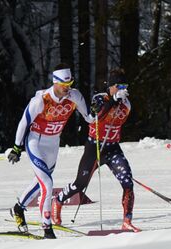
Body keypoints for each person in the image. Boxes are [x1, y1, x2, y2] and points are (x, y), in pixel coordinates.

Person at [52, 68, 139, 232]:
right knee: (80, 183)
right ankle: (58, 200)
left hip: (112, 148)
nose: (123, 90)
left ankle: (127, 220)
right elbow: (95, 116)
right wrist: (113, 100)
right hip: (95, 147)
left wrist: (118, 102)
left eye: (125, 86)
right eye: (119, 86)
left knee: (128, 182)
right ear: (112, 86)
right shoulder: (99, 98)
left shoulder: (126, 104)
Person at [8, 69, 85, 239]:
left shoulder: (75, 96)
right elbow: (23, 122)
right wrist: (16, 147)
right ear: (55, 82)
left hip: (53, 144)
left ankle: (18, 208)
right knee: (48, 184)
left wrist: (99, 108)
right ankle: (47, 227)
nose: (67, 88)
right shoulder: (41, 100)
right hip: (35, 142)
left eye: (70, 84)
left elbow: (89, 117)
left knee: (41, 182)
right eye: (64, 85)